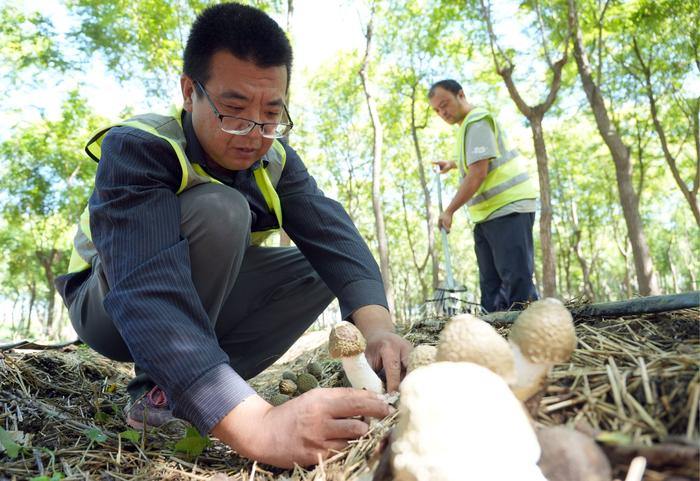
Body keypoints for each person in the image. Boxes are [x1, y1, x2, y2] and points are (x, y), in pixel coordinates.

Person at [55, 2, 411, 469]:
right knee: (221, 210)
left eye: (270, 115)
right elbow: (145, 288)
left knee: (315, 268)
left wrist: (378, 329)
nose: (253, 134)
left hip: (195, 303)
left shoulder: (275, 161)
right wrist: (259, 427)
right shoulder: (139, 147)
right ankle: (167, 390)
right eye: (234, 110)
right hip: (107, 302)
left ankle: (192, 394)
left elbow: (335, 239)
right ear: (189, 91)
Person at [428, 79, 539, 313]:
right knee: (491, 288)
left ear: (461, 94)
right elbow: (475, 160)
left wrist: (449, 211)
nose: (442, 112)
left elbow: (478, 173)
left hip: (508, 208)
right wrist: (453, 163)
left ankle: (531, 338)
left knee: (516, 283)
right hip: (487, 216)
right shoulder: (467, 127)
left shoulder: (477, 121)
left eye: (445, 104)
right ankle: (496, 339)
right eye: (437, 110)